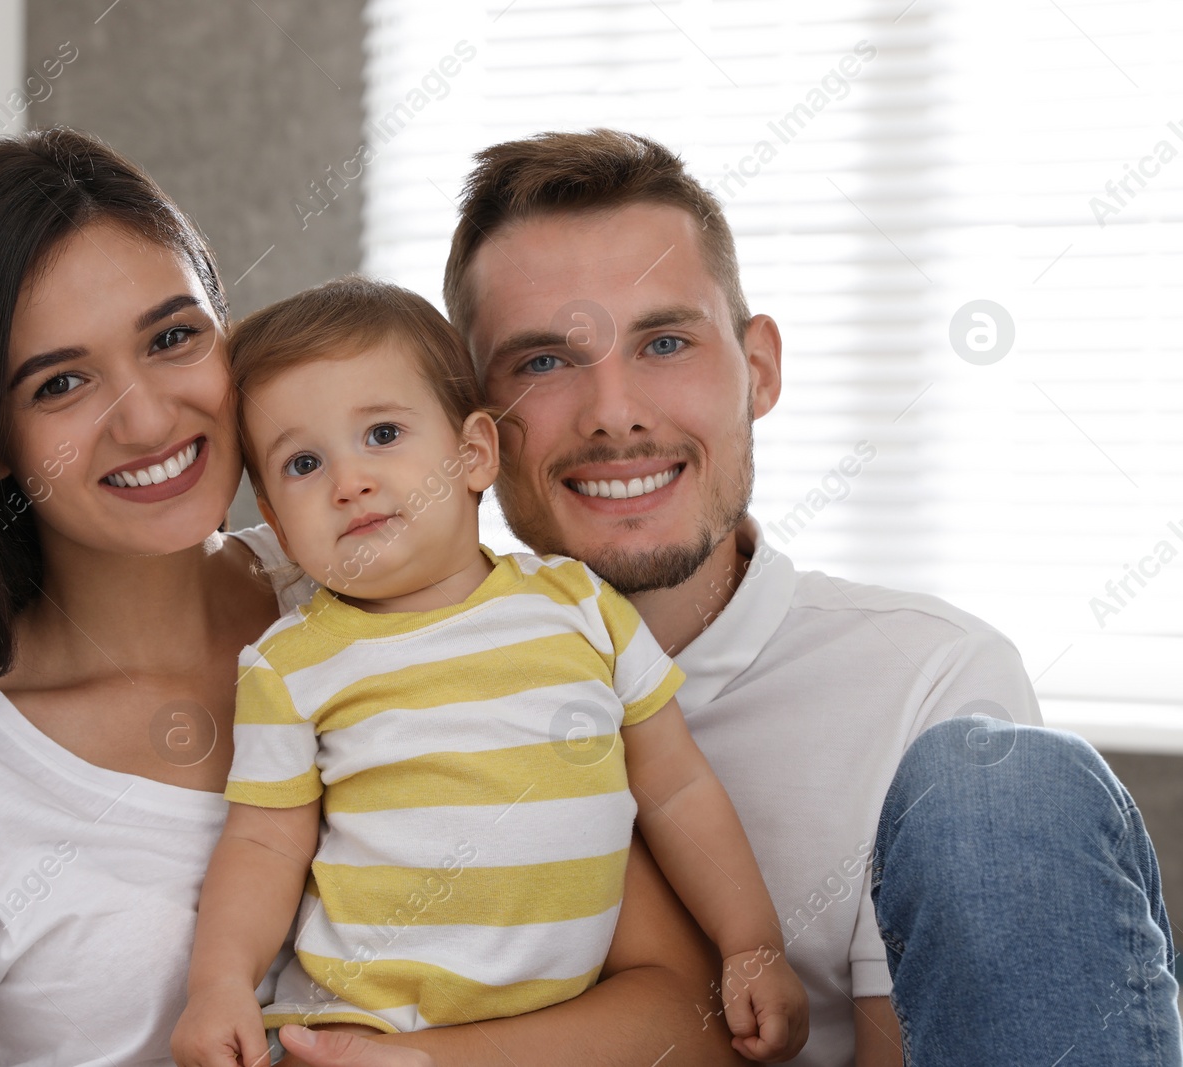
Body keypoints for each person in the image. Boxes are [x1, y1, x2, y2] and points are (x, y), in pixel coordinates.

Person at [0, 127, 747, 1067]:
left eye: (173, 337)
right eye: (61, 383)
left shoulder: (402, 594)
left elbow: (681, 1015)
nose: (146, 416)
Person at [432, 127, 1182, 1065]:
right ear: (470, 426)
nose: (613, 410)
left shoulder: (926, 678)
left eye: (665, 341)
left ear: (761, 369)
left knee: (998, 787)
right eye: (543, 361)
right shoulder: (391, 667)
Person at [170, 277, 807, 1067]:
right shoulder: (290, 663)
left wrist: (752, 943)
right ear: (274, 524)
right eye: (303, 462)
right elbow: (264, 845)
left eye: (382, 434)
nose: (349, 480)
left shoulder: (580, 606)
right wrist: (219, 982)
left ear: (474, 452)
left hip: (565, 1027)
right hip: (356, 1029)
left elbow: (676, 786)